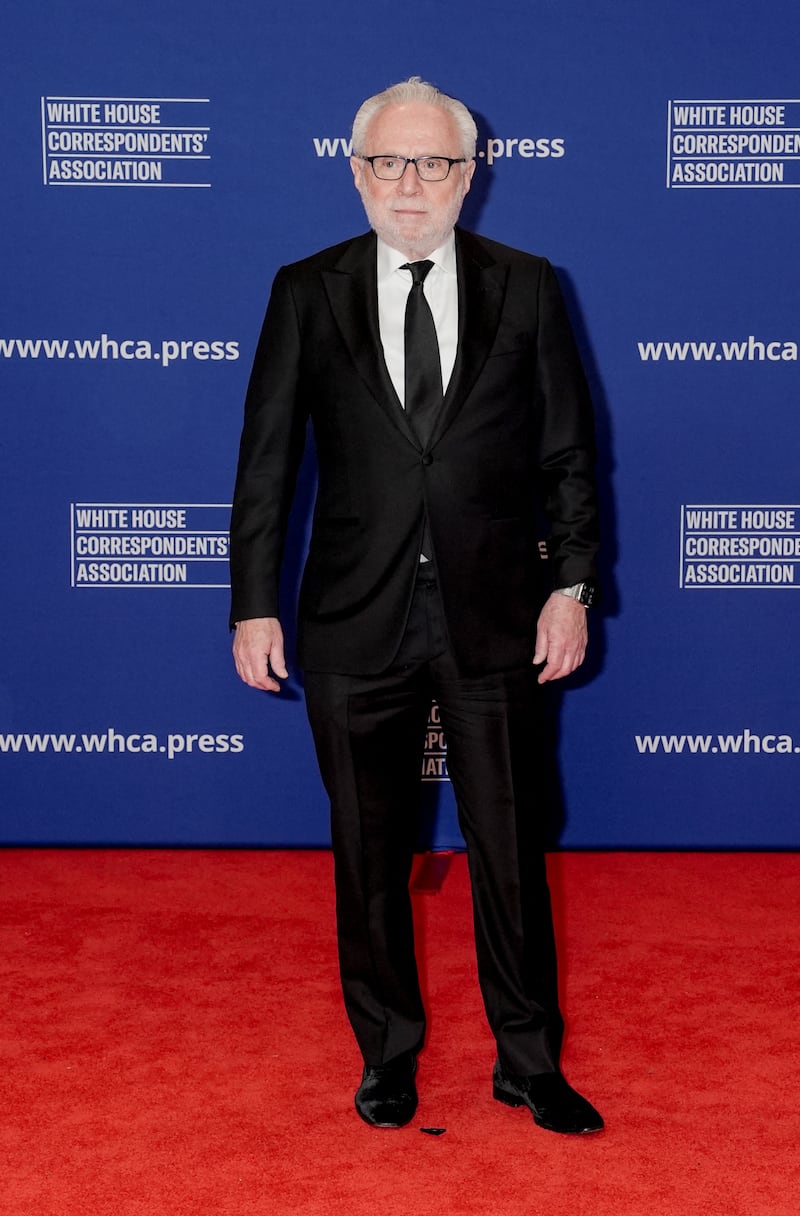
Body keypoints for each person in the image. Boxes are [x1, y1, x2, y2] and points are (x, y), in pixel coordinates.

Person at [230, 77, 603, 1135]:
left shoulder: (528, 286)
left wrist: (569, 585)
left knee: (510, 848)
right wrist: (253, 604)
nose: (410, 182)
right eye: (388, 162)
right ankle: (386, 1054)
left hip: (498, 614)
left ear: (469, 175)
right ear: (354, 172)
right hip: (353, 617)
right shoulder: (305, 289)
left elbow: (567, 455)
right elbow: (265, 464)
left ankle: (528, 1063)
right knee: (368, 851)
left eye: (433, 162)